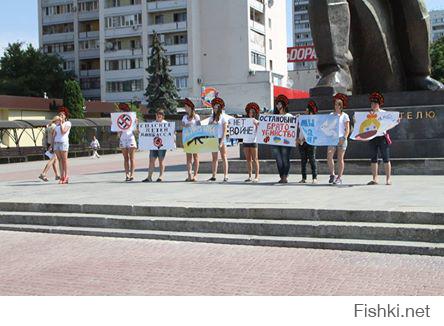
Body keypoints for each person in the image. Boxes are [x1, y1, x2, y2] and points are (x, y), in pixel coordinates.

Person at [366, 92, 393, 186]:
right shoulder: (368, 114)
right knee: (373, 158)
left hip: (382, 137)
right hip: (372, 137)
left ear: (378, 104)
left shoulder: (384, 113)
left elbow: (391, 123)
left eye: (375, 103)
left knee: (386, 158)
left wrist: (389, 126)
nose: (373, 105)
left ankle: (388, 179)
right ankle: (375, 178)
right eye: (372, 104)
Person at [327, 93, 350, 185]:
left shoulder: (345, 116)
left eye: (337, 104)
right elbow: (327, 125)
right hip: (332, 137)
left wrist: (344, 137)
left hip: (341, 138)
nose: (335, 106)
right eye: (335, 104)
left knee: (340, 158)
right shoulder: (331, 114)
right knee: (329, 155)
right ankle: (332, 174)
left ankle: (339, 177)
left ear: (340, 106)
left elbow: (347, 128)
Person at [273, 95, 293, 184]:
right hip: (275, 141)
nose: (277, 106)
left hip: (286, 141)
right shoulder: (274, 117)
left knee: (285, 158)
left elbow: (293, 127)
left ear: (284, 105)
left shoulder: (289, 116)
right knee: (278, 159)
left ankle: (285, 175)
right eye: (276, 104)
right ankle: (281, 176)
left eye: (279, 104)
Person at [143, 109, 168, 182]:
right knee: (151, 160)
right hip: (153, 145)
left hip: (162, 145)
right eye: (157, 115)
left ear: (163, 116)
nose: (158, 116)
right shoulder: (152, 124)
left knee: (161, 160)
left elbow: (170, 134)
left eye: (160, 115)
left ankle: (161, 176)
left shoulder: (166, 124)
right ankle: (149, 177)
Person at [297, 100, 318, 184]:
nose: (305, 111)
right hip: (301, 142)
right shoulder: (302, 118)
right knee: (303, 161)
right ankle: (304, 178)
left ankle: (314, 177)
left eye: (306, 109)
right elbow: (296, 127)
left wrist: (306, 139)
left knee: (312, 159)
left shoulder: (315, 120)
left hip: (311, 142)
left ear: (310, 110)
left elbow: (315, 131)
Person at [208, 97, 229, 182]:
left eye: (216, 107)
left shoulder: (223, 117)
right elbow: (208, 128)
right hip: (213, 138)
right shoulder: (211, 118)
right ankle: (213, 175)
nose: (215, 109)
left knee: (224, 156)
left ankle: (226, 175)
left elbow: (225, 130)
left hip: (221, 138)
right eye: (214, 107)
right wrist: (211, 123)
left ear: (220, 108)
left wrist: (222, 141)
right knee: (214, 158)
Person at [182, 98, 201, 182]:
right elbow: (183, 126)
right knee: (188, 157)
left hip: (195, 138)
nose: (185, 108)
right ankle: (189, 174)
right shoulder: (184, 117)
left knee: (196, 157)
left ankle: (195, 175)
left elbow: (199, 127)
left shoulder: (196, 117)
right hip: (187, 139)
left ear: (190, 107)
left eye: (186, 106)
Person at [39, 116, 61, 182]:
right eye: (59, 121)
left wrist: (45, 145)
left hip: (49, 144)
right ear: (57, 121)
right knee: (52, 160)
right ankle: (43, 173)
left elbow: (45, 137)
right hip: (53, 145)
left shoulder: (48, 127)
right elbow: (54, 137)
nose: (60, 122)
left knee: (54, 160)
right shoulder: (55, 127)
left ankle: (57, 175)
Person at [53, 107, 71, 184]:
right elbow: (54, 134)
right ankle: (62, 176)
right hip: (57, 143)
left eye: (62, 115)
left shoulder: (68, 123)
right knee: (59, 160)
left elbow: (63, 131)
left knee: (64, 160)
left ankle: (66, 176)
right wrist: (51, 144)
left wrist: (60, 124)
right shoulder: (57, 125)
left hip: (63, 143)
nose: (61, 116)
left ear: (65, 116)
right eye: (60, 115)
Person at [118, 108, 137, 182]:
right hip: (123, 139)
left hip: (131, 138)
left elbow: (136, 131)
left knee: (132, 158)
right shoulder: (119, 119)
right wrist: (115, 126)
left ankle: (132, 175)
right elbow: (118, 134)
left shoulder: (132, 118)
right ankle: (127, 174)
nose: (124, 112)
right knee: (126, 158)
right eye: (123, 111)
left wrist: (136, 123)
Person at [243, 102, 260, 182]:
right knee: (248, 159)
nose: (251, 113)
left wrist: (256, 124)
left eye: (252, 112)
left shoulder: (255, 120)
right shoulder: (244, 120)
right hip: (245, 141)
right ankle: (249, 176)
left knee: (255, 159)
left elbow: (260, 125)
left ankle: (256, 176)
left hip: (253, 141)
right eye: (249, 112)